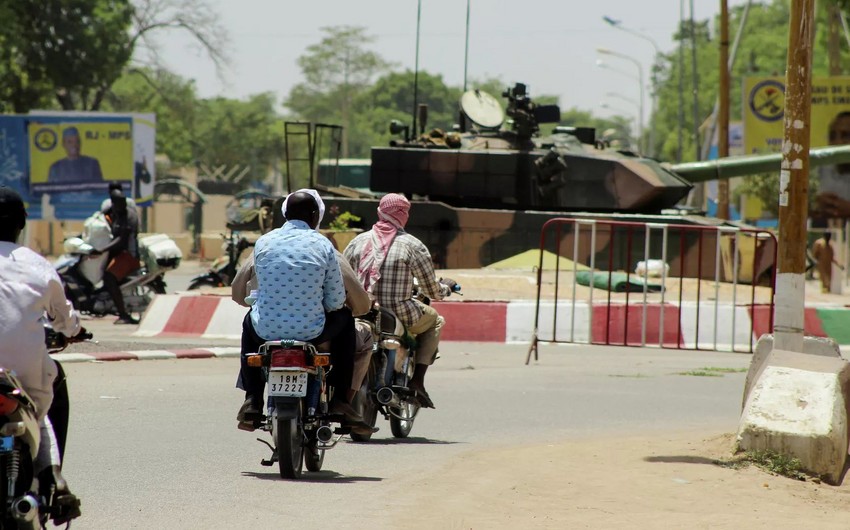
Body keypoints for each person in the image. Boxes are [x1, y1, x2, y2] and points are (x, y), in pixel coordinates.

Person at [232, 191, 374, 433]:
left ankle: (252, 399)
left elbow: (245, 291)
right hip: (311, 331)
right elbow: (336, 299)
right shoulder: (322, 245)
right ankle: (341, 399)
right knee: (345, 320)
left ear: (285, 213)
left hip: (266, 330)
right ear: (315, 215)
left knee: (248, 321)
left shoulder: (264, 242)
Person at [0, 186, 82, 524]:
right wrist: (73, 330)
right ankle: (53, 479)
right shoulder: (37, 265)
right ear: (22, 224)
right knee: (42, 405)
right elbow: (66, 319)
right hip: (21, 373)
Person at [343, 193, 457, 409]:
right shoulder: (412, 245)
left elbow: (343, 276)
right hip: (399, 312)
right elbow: (431, 289)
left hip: (361, 311)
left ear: (380, 211)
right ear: (404, 215)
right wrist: (446, 288)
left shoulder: (357, 241)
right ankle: (418, 381)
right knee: (435, 321)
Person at [92, 187, 141, 324]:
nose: (121, 206)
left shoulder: (128, 216)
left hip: (129, 255)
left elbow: (121, 240)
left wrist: (102, 250)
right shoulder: (115, 212)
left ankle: (123, 314)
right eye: (117, 203)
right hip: (117, 253)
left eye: (123, 202)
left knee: (109, 277)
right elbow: (98, 220)